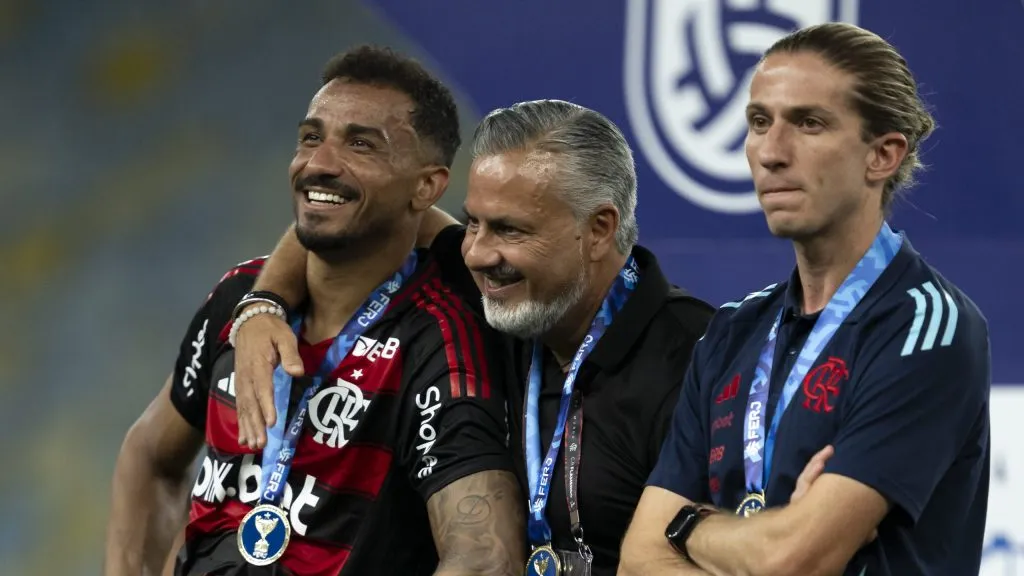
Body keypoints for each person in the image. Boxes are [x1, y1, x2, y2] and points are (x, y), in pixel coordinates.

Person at [229, 99, 716, 575]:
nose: (478, 254)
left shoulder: (697, 361)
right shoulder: (501, 300)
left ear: (599, 229)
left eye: (510, 230)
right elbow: (360, 213)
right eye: (473, 223)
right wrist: (263, 304)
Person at [104, 46, 526, 576]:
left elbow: (485, 557)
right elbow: (148, 455)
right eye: (310, 138)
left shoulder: (439, 335)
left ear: (426, 186)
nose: (319, 163)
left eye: (361, 144)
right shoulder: (240, 297)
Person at [618, 22, 991, 576]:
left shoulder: (927, 326)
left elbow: (794, 561)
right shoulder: (733, 330)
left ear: (883, 155)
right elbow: (638, 561)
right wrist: (769, 536)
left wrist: (690, 526)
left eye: (809, 123)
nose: (771, 152)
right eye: (759, 122)